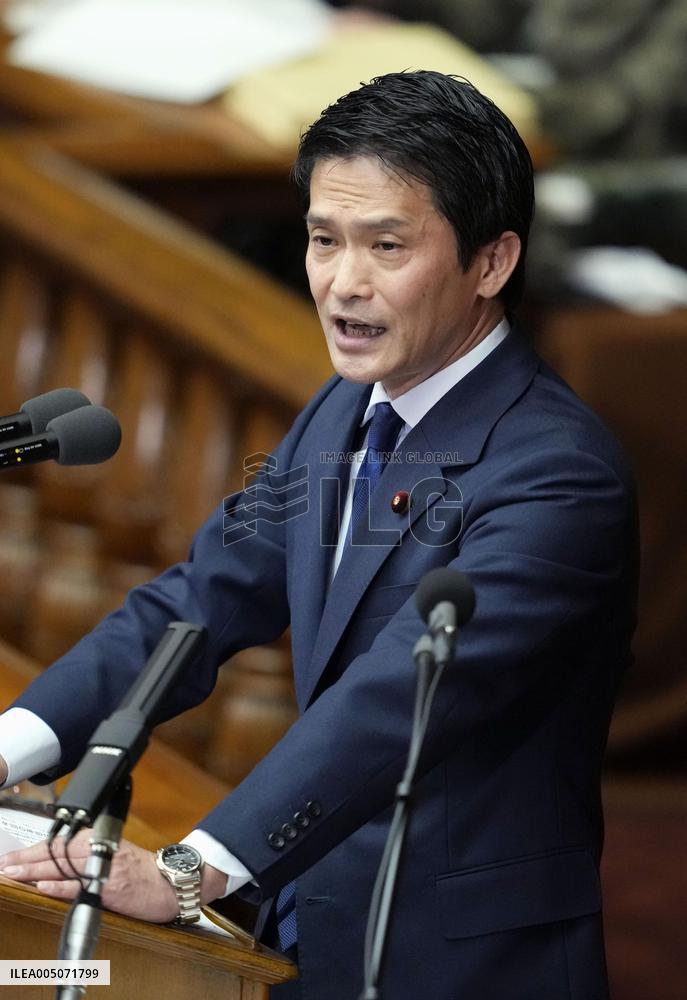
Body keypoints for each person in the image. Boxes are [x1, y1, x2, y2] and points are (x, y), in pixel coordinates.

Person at [0, 71, 637, 999]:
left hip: (453, 957)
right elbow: (199, 600)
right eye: (322, 240)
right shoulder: (341, 415)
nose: (343, 283)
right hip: (297, 926)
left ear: (492, 263)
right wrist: (16, 742)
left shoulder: (555, 474)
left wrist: (191, 871)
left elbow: (401, 697)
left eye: (386, 245)